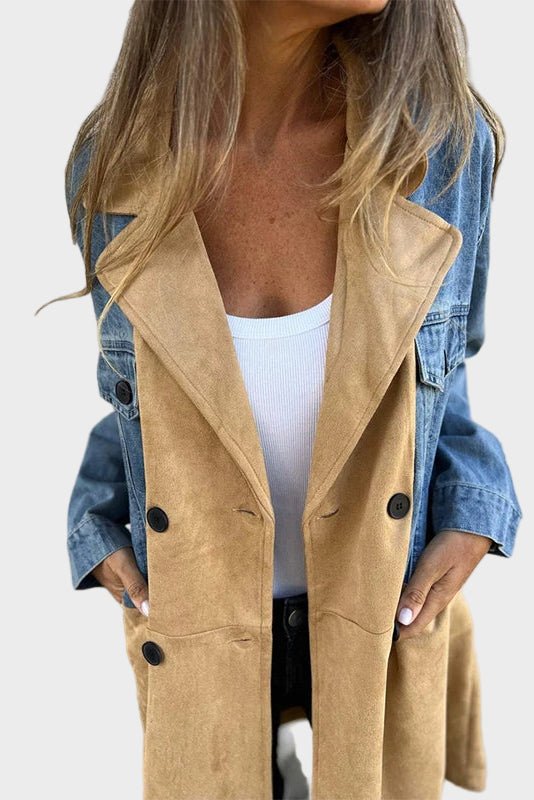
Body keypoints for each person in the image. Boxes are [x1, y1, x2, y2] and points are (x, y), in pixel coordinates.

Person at [51, 1, 523, 797]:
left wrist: (478, 506)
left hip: (380, 611)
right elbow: (140, 394)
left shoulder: (440, 148)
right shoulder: (115, 166)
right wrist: (92, 520)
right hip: (202, 620)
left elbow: (443, 369)